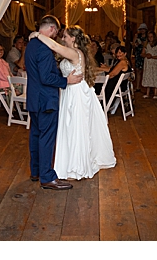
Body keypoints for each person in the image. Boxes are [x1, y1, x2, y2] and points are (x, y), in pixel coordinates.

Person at [33, 25, 116, 180]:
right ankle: (70, 164)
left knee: (75, 128)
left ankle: (76, 168)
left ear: (73, 38)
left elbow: (53, 45)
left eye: (65, 36)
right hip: (70, 92)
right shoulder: (74, 53)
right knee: (71, 127)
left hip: (76, 93)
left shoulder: (74, 52)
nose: (62, 39)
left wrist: (37, 34)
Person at [25, 15, 83, 190]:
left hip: (34, 99)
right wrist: (66, 81)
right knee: (46, 138)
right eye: (57, 32)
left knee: (35, 135)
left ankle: (35, 171)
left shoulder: (31, 45)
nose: (57, 36)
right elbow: (46, 77)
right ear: (52, 29)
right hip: (46, 101)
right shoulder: (43, 48)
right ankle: (47, 177)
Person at [141, 35, 157, 99]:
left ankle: (155, 93)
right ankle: (147, 93)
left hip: (155, 63)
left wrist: (153, 57)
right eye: (149, 37)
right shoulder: (146, 45)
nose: (150, 38)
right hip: (148, 63)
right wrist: (146, 55)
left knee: (155, 76)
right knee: (148, 76)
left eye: (151, 36)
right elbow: (142, 54)